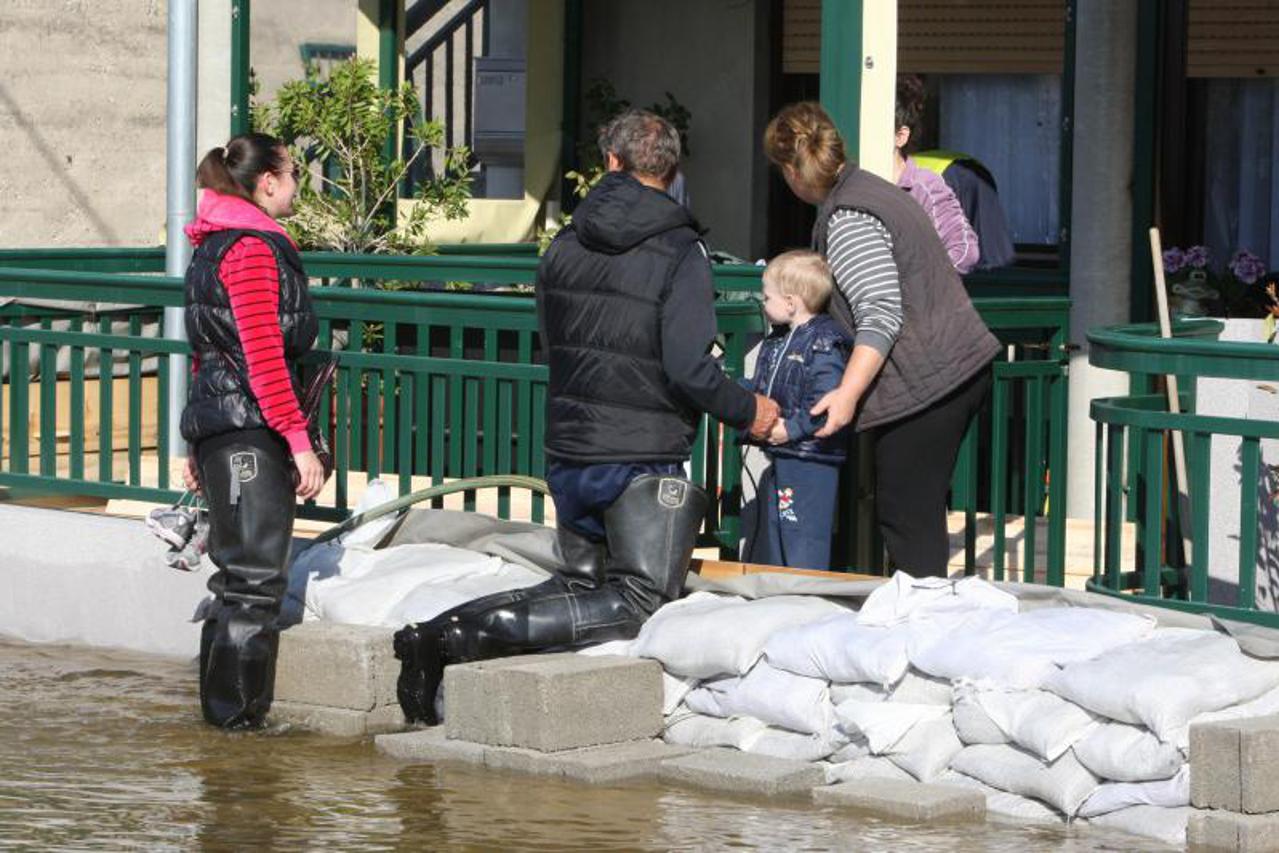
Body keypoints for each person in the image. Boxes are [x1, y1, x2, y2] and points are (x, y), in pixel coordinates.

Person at [393, 109, 780, 724]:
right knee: (638, 596)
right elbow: (689, 367)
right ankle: (459, 639)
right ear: (673, 170)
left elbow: (556, 336)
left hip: (570, 444)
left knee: (577, 582)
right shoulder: (682, 250)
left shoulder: (564, 243)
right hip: (641, 451)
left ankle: (433, 634)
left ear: (610, 162)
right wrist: (750, 410)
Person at [764, 101, 1000, 578]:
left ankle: (925, 630)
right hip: (959, 367)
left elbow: (880, 311)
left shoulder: (850, 215)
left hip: (930, 382)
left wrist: (847, 393)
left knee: (905, 513)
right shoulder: (872, 187)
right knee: (916, 509)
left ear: (791, 170)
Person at [180, 132, 328, 729]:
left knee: (235, 581)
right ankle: (237, 731)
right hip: (249, 431)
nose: (298, 186)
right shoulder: (251, 249)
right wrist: (298, 442)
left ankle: (220, 728)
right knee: (254, 584)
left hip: (226, 427)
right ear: (267, 180)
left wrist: (194, 441)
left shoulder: (217, 243)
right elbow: (262, 355)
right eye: (294, 174)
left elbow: (204, 353)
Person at [743, 250, 852, 570]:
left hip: (809, 456)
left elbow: (826, 401)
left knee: (802, 535)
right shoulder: (779, 340)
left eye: (767, 297)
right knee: (777, 531)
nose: (762, 304)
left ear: (790, 302)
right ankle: (783, 597)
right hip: (786, 454)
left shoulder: (823, 342)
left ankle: (806, 597)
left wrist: (790, 429)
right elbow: (765, 385)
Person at [894, 74, 980, 274]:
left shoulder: (923, 186)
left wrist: (914, 282)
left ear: (900, 137)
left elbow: (965, 251)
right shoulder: (854, 184)